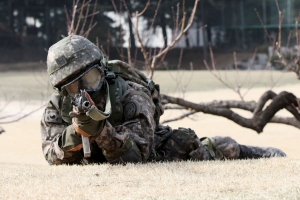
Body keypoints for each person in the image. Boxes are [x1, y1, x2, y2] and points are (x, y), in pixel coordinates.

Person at [41, 35, 286, 165]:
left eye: (91, 79)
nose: (85, 91)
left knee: (201, 148)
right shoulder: (57, 106)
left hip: (149, 146)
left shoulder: (132, 95)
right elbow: (50, 154)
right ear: (62, 90)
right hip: (104, 150)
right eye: (73, 86)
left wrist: (102, 132)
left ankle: (257, 153)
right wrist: (75, 134)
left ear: (102, 70)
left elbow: (137, 157)